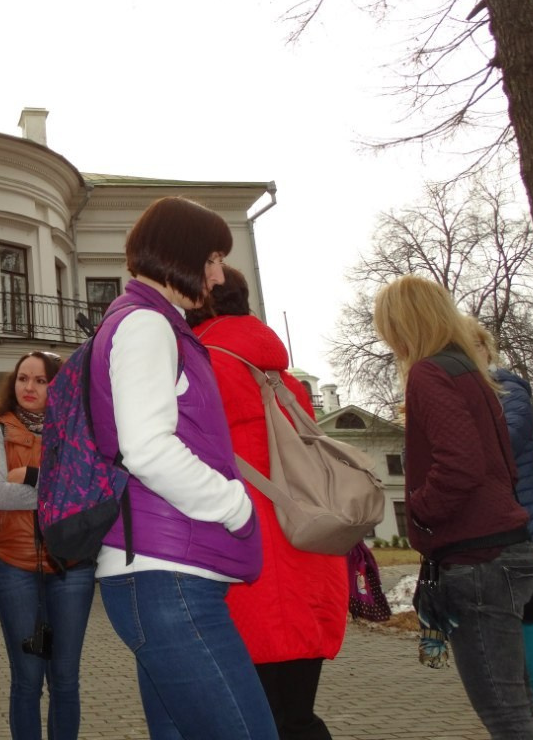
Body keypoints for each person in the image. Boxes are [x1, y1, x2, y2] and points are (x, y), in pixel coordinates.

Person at [88, 197, 275, 740]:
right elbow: (146, 447)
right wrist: (233, 505)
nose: (218, 276)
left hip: (163, 572)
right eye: (213, 258)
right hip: (169, 575)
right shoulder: (148, 325)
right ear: (181, 254)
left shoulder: (153, 322)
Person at [372, 275, 533, 740]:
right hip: (508, 547)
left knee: (504, 711)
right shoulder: (469, 370)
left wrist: (421, 510)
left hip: (477, 559)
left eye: (386, 325)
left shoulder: (431, 374)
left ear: (402, 323)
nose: (385, 337)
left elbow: (460, 464)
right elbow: (502, 464)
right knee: (518, 699)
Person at [188, 266, 348, 740]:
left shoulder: (201, 361)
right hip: (306, 544)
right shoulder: (279, 370)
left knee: (253, 719)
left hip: (245, 554)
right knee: (297, 716)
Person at [0, 351, 95, 740]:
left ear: (57, 386)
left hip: (72, 568)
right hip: (14, 566)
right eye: (22, 378)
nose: (28, 387)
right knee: (27, 680)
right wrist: (59, 491)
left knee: (65, 679)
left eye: (41, 380)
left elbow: (90, 492)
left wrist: (27, 475)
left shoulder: (79, 430)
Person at [467, 318, 533, 740]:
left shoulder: (508, 390)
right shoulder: (461, 397)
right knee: (510, 678)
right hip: (487, 547)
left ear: (485, 348)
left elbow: (504, 444)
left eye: (470, 346)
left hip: (527, 542)